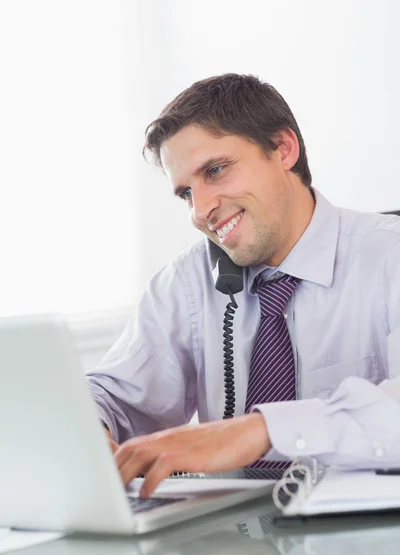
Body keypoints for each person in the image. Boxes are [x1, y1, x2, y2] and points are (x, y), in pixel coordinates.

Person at [86, 73, 400, 498]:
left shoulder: (387, 256)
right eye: (185, 194)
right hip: (234, 546)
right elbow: (116, 393)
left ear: (284, 149)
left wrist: (260, 431)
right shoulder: (187, 281)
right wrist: (90, 426)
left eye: (215, 171)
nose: (200, 211)